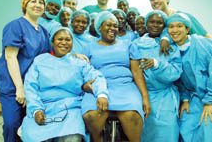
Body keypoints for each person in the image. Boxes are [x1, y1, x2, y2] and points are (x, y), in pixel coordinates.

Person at [21, 28, 108, 142]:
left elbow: (96, 77)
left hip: (71, 108)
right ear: (52, 42)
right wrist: (36, 110)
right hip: (44, 106)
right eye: (60, 39)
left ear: (72, 43)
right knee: (36, 137)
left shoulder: (79, 62)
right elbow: (30, 87)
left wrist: (101, 94)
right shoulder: (40, 61)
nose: (64, 42)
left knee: (72, 138)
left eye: (68, 39)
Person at [81, 11, 150, 142]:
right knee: (92, 115)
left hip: (125, 86)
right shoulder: (88, 47)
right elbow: (82, 71)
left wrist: (145, 97)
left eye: (115, 25)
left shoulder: (128, 44)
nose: (112, 28)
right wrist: (85, 86)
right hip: (98, 87)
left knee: (132, 115)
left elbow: (136, 71)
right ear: (99, 27)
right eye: (108, 25)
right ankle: (97, 139)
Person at [0, 0, 51, 142]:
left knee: (29, 126)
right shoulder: (15, 26)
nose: (37, 5)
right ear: (25, 5)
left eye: (41, 2)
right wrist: (20, 88)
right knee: (12, 124)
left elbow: (49, 58)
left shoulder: (44, 32)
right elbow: (10, 56)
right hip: (13, 86)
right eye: (33, 1)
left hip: (33, 86)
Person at [131, 10, 182, 142]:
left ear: (164, 26)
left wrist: (157, 64)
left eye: (159, 23)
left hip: (166, 98)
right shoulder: (136, 44)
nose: (155, 25)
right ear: (146, 23)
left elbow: (175, 72)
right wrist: (143, 96)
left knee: (168, 131)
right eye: (152, 22)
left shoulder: (170, 45)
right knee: (146, 133)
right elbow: (134, 70)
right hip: (143, 95)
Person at [167, 13, 212, 142]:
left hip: (209, 96)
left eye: (179, 26)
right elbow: (178, 80)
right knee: (185, 126)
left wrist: (209, 101)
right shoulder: (172, 51)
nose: (175, 30)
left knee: (206, 126)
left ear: (187, 29)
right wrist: (185, 99)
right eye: (171, 27)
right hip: (194, 97)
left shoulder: (202, 43)